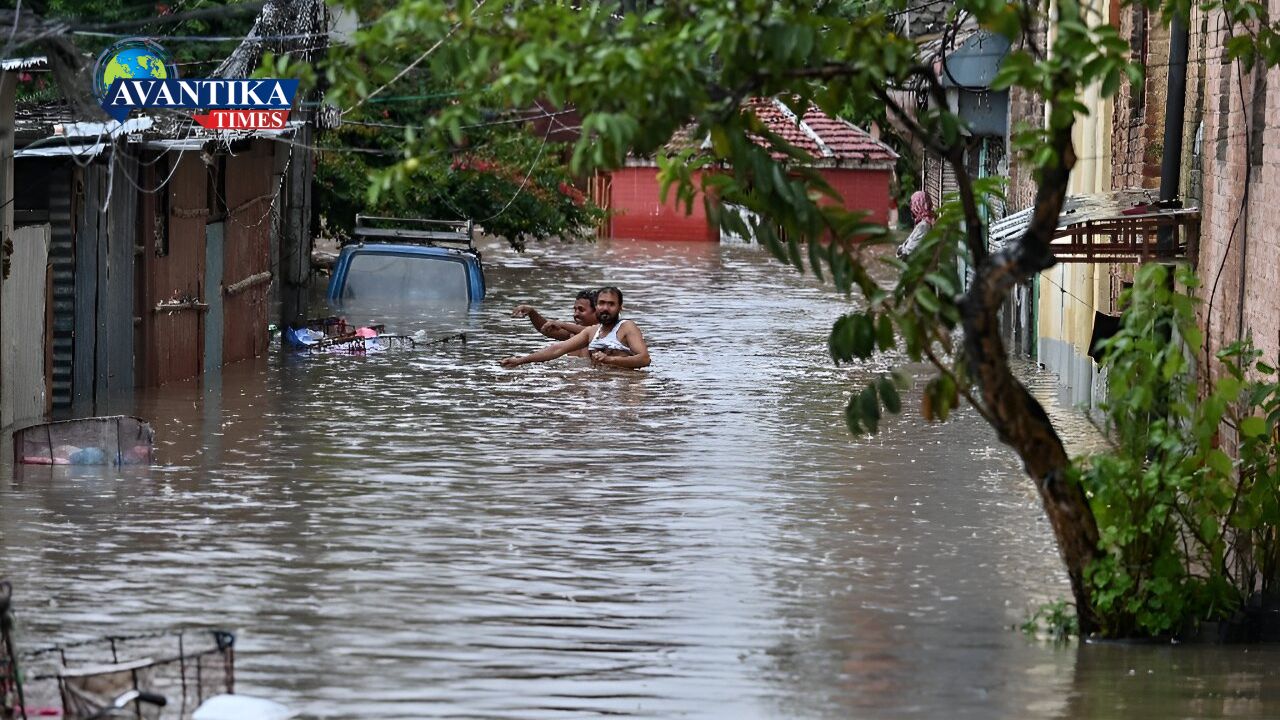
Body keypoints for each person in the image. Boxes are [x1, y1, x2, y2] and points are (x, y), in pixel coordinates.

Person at [501, 286, 651, 369]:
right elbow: (557, 349)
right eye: (601, 303)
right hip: (599, 391)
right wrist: (520, 361)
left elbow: (644, 359)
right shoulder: (591, 332)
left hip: (623, 390)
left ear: (620, 307)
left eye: (611, 304)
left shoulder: (627, 327)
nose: (605, 308)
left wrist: (610, 360)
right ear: (597, 306)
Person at [510, 289, 599, 341]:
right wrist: (532, 313)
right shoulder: (572, 333)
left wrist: (562, 324)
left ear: (597, 311)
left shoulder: (607, 332)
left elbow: (593, 332)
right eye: (575, 309)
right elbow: (546, 329)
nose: (575, 314)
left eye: (581, 310)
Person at [896, 190, 935, 259]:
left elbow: (909, 252)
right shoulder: (927, 221)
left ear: (919, 205)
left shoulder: (924, 225)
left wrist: (902, 251)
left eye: (913, 204)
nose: (911, 207)